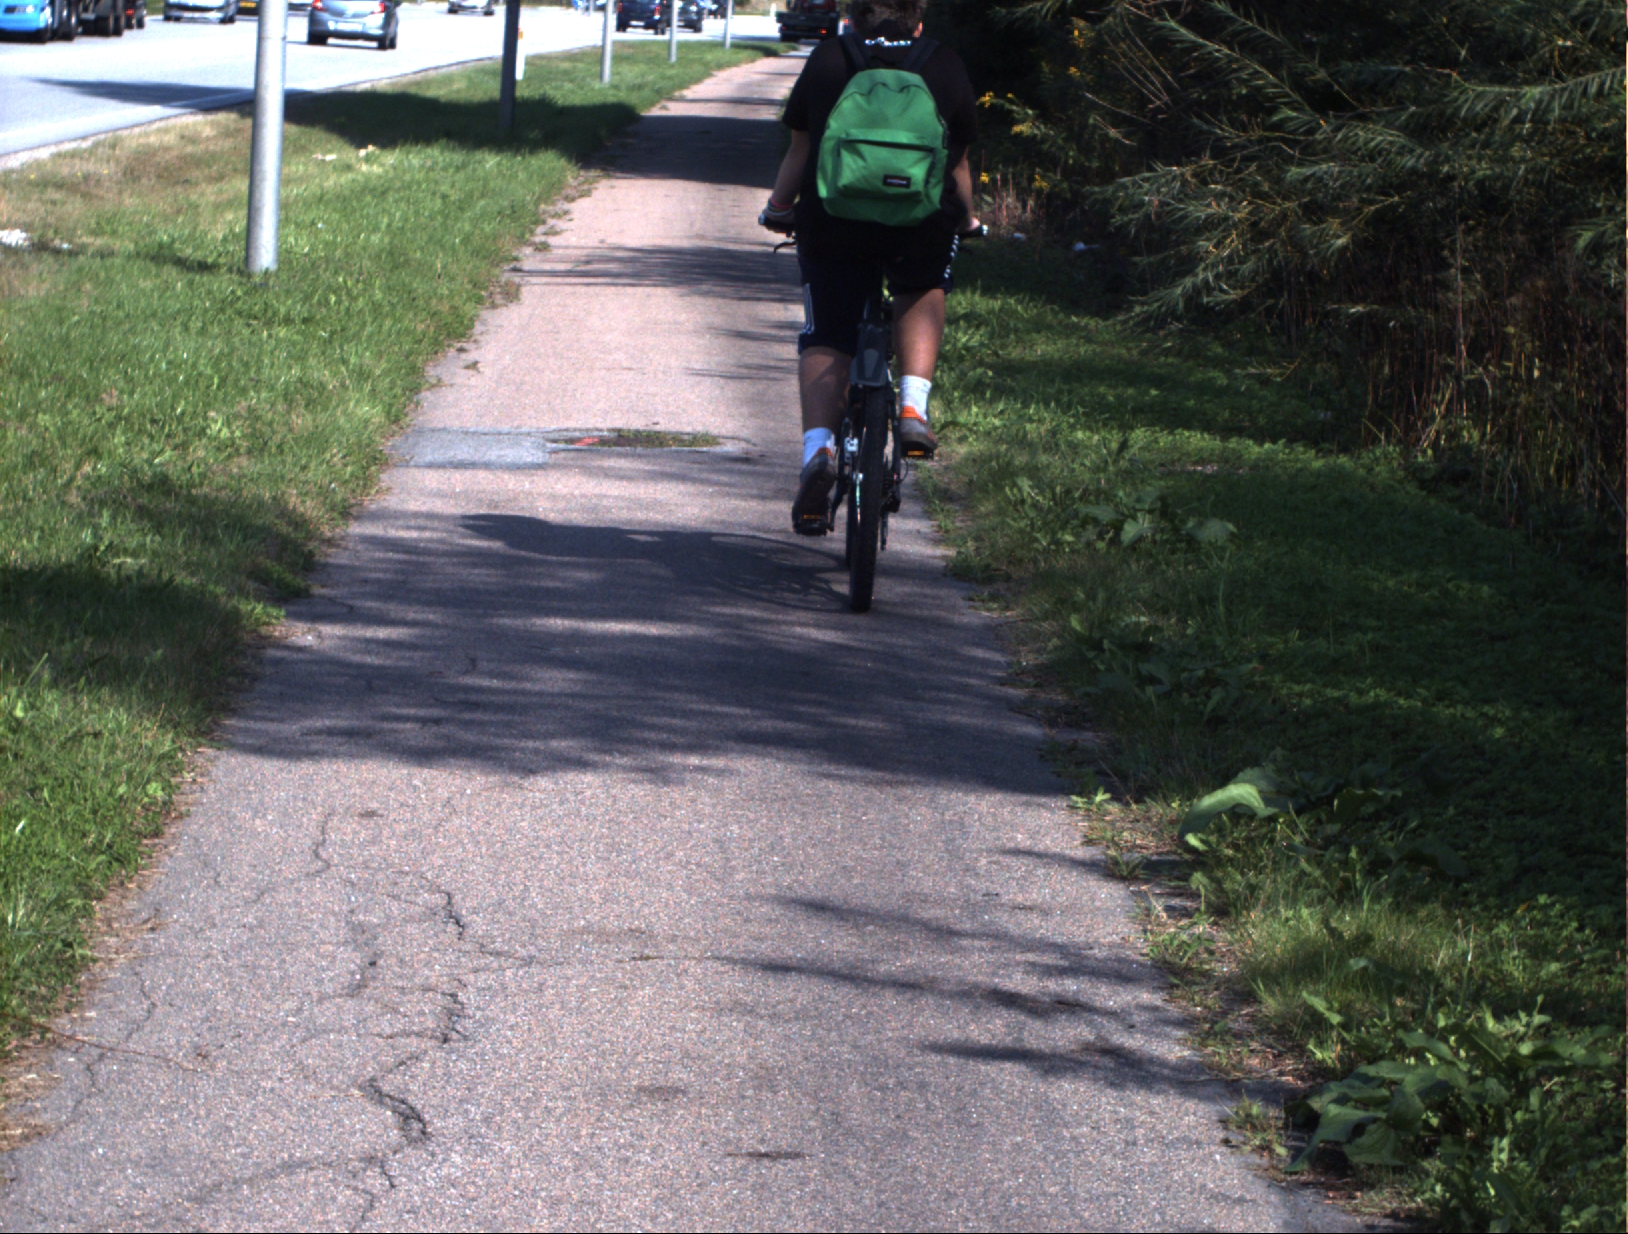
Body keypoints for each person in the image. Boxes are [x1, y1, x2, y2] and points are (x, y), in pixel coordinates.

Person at [759, 0, 980, 535]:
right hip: (919, 221)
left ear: (853, 19)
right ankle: (912, 409)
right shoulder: (944, 63)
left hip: (834, 221)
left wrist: (779, 208)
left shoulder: (829, 59)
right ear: (919, 22)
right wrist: (968, 219)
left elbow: (800, 150)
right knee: (921, 286)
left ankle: (818, 452)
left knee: (827, 334)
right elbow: (957, 161)